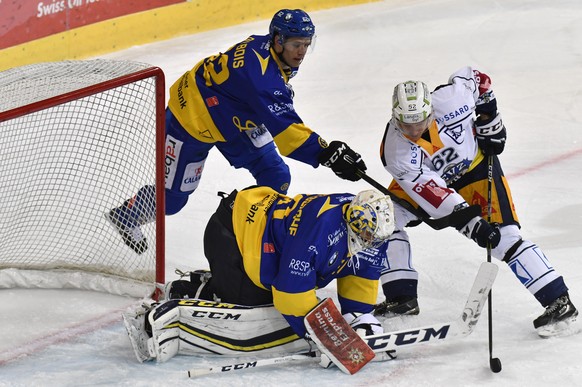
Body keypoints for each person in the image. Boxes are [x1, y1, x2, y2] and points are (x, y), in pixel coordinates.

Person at [107, 9, 366, 254]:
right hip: (190, 121)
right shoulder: (262, 78)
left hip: (232, 115)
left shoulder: (264, 47)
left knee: (275, 176)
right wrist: (327, 153)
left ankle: (251, 241)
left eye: (306, 44)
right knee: (173, 201)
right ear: (278, 40)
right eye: (295, 44)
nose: (301, 52)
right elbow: (287, 132)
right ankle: (125, 215)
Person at [374, 67, 578, 336]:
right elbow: (431, 191)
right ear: (394, 117)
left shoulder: (452, 97)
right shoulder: (394, 150)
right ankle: (401, 296)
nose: (413, 130)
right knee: (381, 218)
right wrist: (467, 219)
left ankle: (558, 300)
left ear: (431, 111)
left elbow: (477, 78)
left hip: (477, 170)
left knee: (504, 238)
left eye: (419, 121)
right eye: (405, 124)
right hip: (431, 183)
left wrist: (489, 117)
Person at [123, 186, 395, 365]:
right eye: (367, 236)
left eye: (375, 237)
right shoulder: (317, 232)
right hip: (232, 235)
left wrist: (360, 318)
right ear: (354, 223)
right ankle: (193, 288)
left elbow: (361, 270)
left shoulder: (370, 224)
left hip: (267, 235)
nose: (371, 242)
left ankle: (221, 280)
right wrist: (325, 338)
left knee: (283, 292)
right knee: (254, 303)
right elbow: (289, 297)